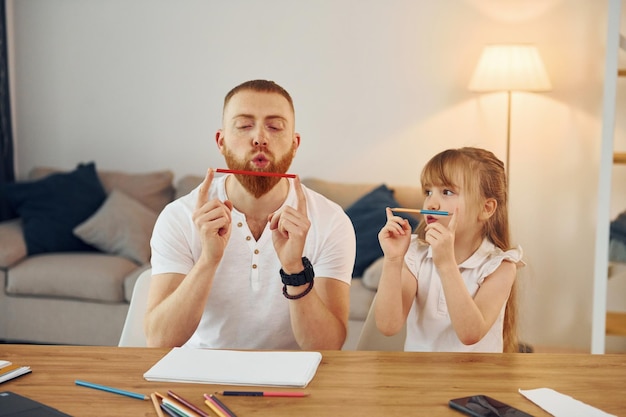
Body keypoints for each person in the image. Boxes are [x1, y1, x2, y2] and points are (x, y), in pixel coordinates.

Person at [144, 80, 356, 350]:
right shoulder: (178, 217)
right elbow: (159, 340)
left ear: (294, 143)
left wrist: (294, 269)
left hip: (291, 379)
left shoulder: (331, 221)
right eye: (244, 125)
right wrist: (209, 260)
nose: (259, 138)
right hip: (201, 377)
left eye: (275, 127)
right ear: (221, 141)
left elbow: (328, 347)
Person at [374, 147, 523, 352]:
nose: (431, 203)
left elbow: (470, 334)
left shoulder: (500, 266)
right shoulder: (415, 255)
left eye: (447, 192)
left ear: (486, 208)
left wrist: (446, 264)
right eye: (428, 192)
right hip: (422, 376)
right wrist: (392, 260)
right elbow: (388, 326)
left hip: (477, 379)